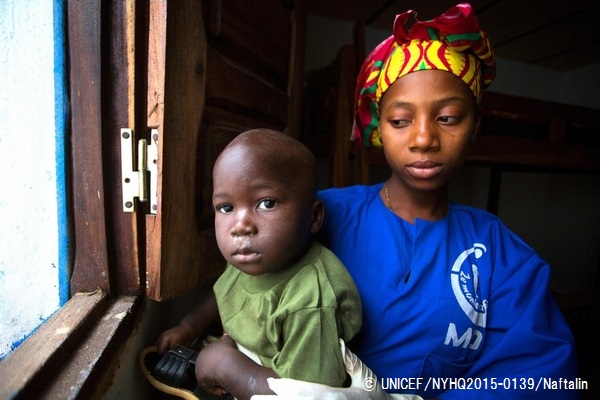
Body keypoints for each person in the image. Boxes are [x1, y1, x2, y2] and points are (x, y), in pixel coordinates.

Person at [198, 3, 581, 400]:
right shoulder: (308, 219)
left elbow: (547, 377)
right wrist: (232, 361)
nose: (423, 139)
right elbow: (248, 296)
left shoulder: (503, 256)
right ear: (379, 127)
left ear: (475, 126)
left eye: (448, 117)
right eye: (400, 121)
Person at [155, 128, 362, 398]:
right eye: (226, 208)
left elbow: (303, 394)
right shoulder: (254, 258)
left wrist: (224, 366)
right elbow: (224, 293)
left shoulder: (312, 302)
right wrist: (189, 327)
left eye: (266, 203)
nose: (240, 226)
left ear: (313, 218)